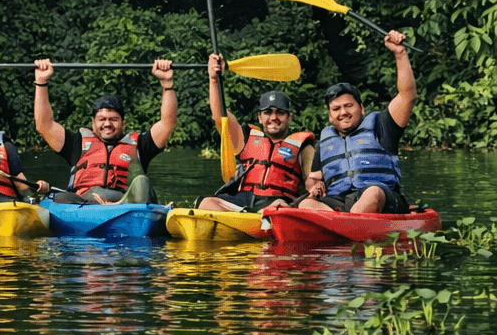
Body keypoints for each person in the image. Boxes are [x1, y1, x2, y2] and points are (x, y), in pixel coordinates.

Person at [295, 31, 416, 214]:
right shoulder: (326, 142)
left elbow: (407, 96)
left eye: (348, 106)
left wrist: (400, 54)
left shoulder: (382, 125)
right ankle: (342, 228)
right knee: (306, 205)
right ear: (330, 115)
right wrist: (315, 185)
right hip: (340, 202)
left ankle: (346, 229)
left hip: (382, 199)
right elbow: (312, 178)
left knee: (372, 193)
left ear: (361, 108)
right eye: (336, 109)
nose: (343, 112)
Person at [33, 58, 177, 203]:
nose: (107, 124)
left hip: (126, 205)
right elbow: (44, 125)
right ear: (93, 123)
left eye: (113, 119)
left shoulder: (140, 145)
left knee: (142, 182)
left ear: (123, 123)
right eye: (102, 119)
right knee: (59, 198)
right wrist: (41, 82)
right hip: (86, 204)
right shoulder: (76, 143)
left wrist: (167, 84)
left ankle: (134, 216)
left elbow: (167, 123)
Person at [197, 54, 316, 212]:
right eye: (267, 112)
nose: (273, 118)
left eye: (280, 112)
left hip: (279, 202)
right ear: (260, 117)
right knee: (206, 203)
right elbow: (220, 117)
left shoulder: (304, 147)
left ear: (289, 117)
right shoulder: (246, 137)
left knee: (279, 208)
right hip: (245, 199)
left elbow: (312, 180)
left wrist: (315, 188)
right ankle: (239, 223)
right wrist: (214, 80)